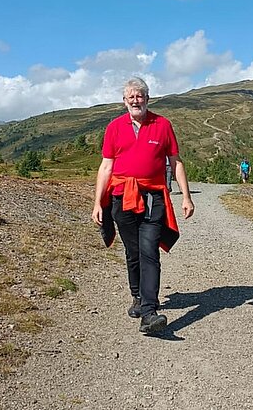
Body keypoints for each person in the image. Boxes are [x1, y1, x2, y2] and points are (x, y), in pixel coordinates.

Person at [92, 77, 194, 334]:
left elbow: (176, 162)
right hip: (121, 197)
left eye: (140, 96)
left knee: (149, 250)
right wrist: (97, 203)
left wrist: (186, 196)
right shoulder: (114, 127)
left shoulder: (162, 125)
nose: (136, 101)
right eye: (131, 97)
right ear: (124, 101)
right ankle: (137, 296)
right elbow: (106, 166)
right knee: (133, 251)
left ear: (147, 99)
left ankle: (149, 312)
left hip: (153, 197)